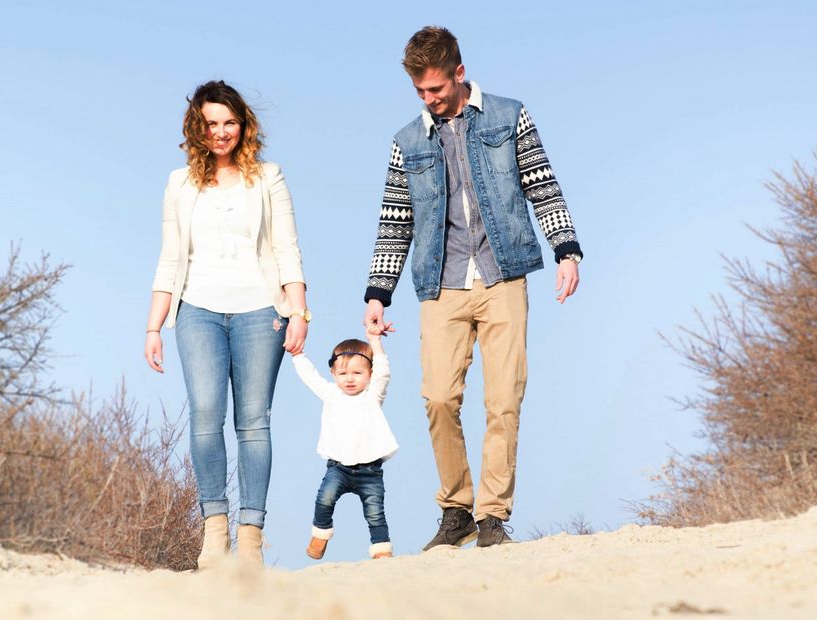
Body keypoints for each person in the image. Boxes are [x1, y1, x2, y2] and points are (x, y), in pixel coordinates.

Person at [363, 27, 584, 550]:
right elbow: (395, 223)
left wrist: (566, 250)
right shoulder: (407, 141)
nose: (429, 99)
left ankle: (491, 516)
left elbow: (541, 182)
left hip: (503, 273)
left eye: (436, 88)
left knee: (503, 400)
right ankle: (456, 507)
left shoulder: (510, 116)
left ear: (459, 74)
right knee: (439, 397)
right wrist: (378, 292)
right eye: (420, 91)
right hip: (442, 282)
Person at [145, 80, 310, 569]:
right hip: (197, 310)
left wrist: (298, 311)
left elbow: (286, 248)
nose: (221, 133)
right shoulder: (179, 183)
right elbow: (171, 258)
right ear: (198, 128)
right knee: (205, 416)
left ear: (244, 125)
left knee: (254, 423)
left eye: (229, 123)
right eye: (211, 124)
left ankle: (252, 539)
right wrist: (154, 326)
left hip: (262, 311)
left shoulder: (269, 177)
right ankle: (214, 534)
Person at [291, 329, 398, 561]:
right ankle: (320, 534)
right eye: (342, 373)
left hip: (370, 471)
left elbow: (384, 373)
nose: (349, 379)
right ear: (333, 373)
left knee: (375, 513)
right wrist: (297, 355)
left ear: (370, 373)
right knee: (324, 499)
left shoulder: (373, 395)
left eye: (358, 372)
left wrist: (375, 341)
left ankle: (381, 551)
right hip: (338, 468)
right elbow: (311, 377)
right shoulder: (331, 394)